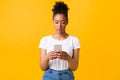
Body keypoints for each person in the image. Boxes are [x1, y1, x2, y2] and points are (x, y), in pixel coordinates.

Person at [39, 1, 80, 80]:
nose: (59, 26)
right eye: (56, 22)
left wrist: (67, 57)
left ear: (67, 22)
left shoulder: (74, 40)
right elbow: (42, 67)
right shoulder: (45, 40)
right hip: (49, 75)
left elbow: (75, 67)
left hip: (67, 76)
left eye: (63, 22)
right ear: (53, 21)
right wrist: (47, 57)